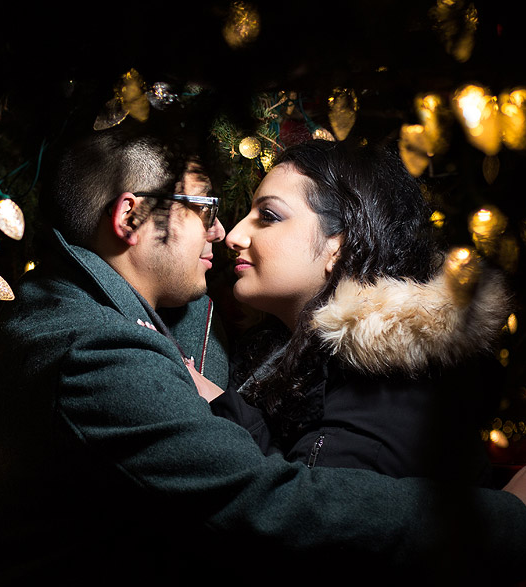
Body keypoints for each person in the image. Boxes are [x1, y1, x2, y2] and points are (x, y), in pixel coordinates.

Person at [0, 122, 526, 587]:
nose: (226, 234)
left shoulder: (108, 311)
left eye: (262, 214)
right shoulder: (95, 348)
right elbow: (268, 507)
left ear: (339, 245)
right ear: (131, 216)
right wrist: (501, 519)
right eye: (208, 210)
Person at [209, 138, 506, 482]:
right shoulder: (282, 352)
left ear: (340, 245)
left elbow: (314, 519)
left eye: (268, 216)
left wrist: (225, 410)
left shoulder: (390, 377)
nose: (233, 236)